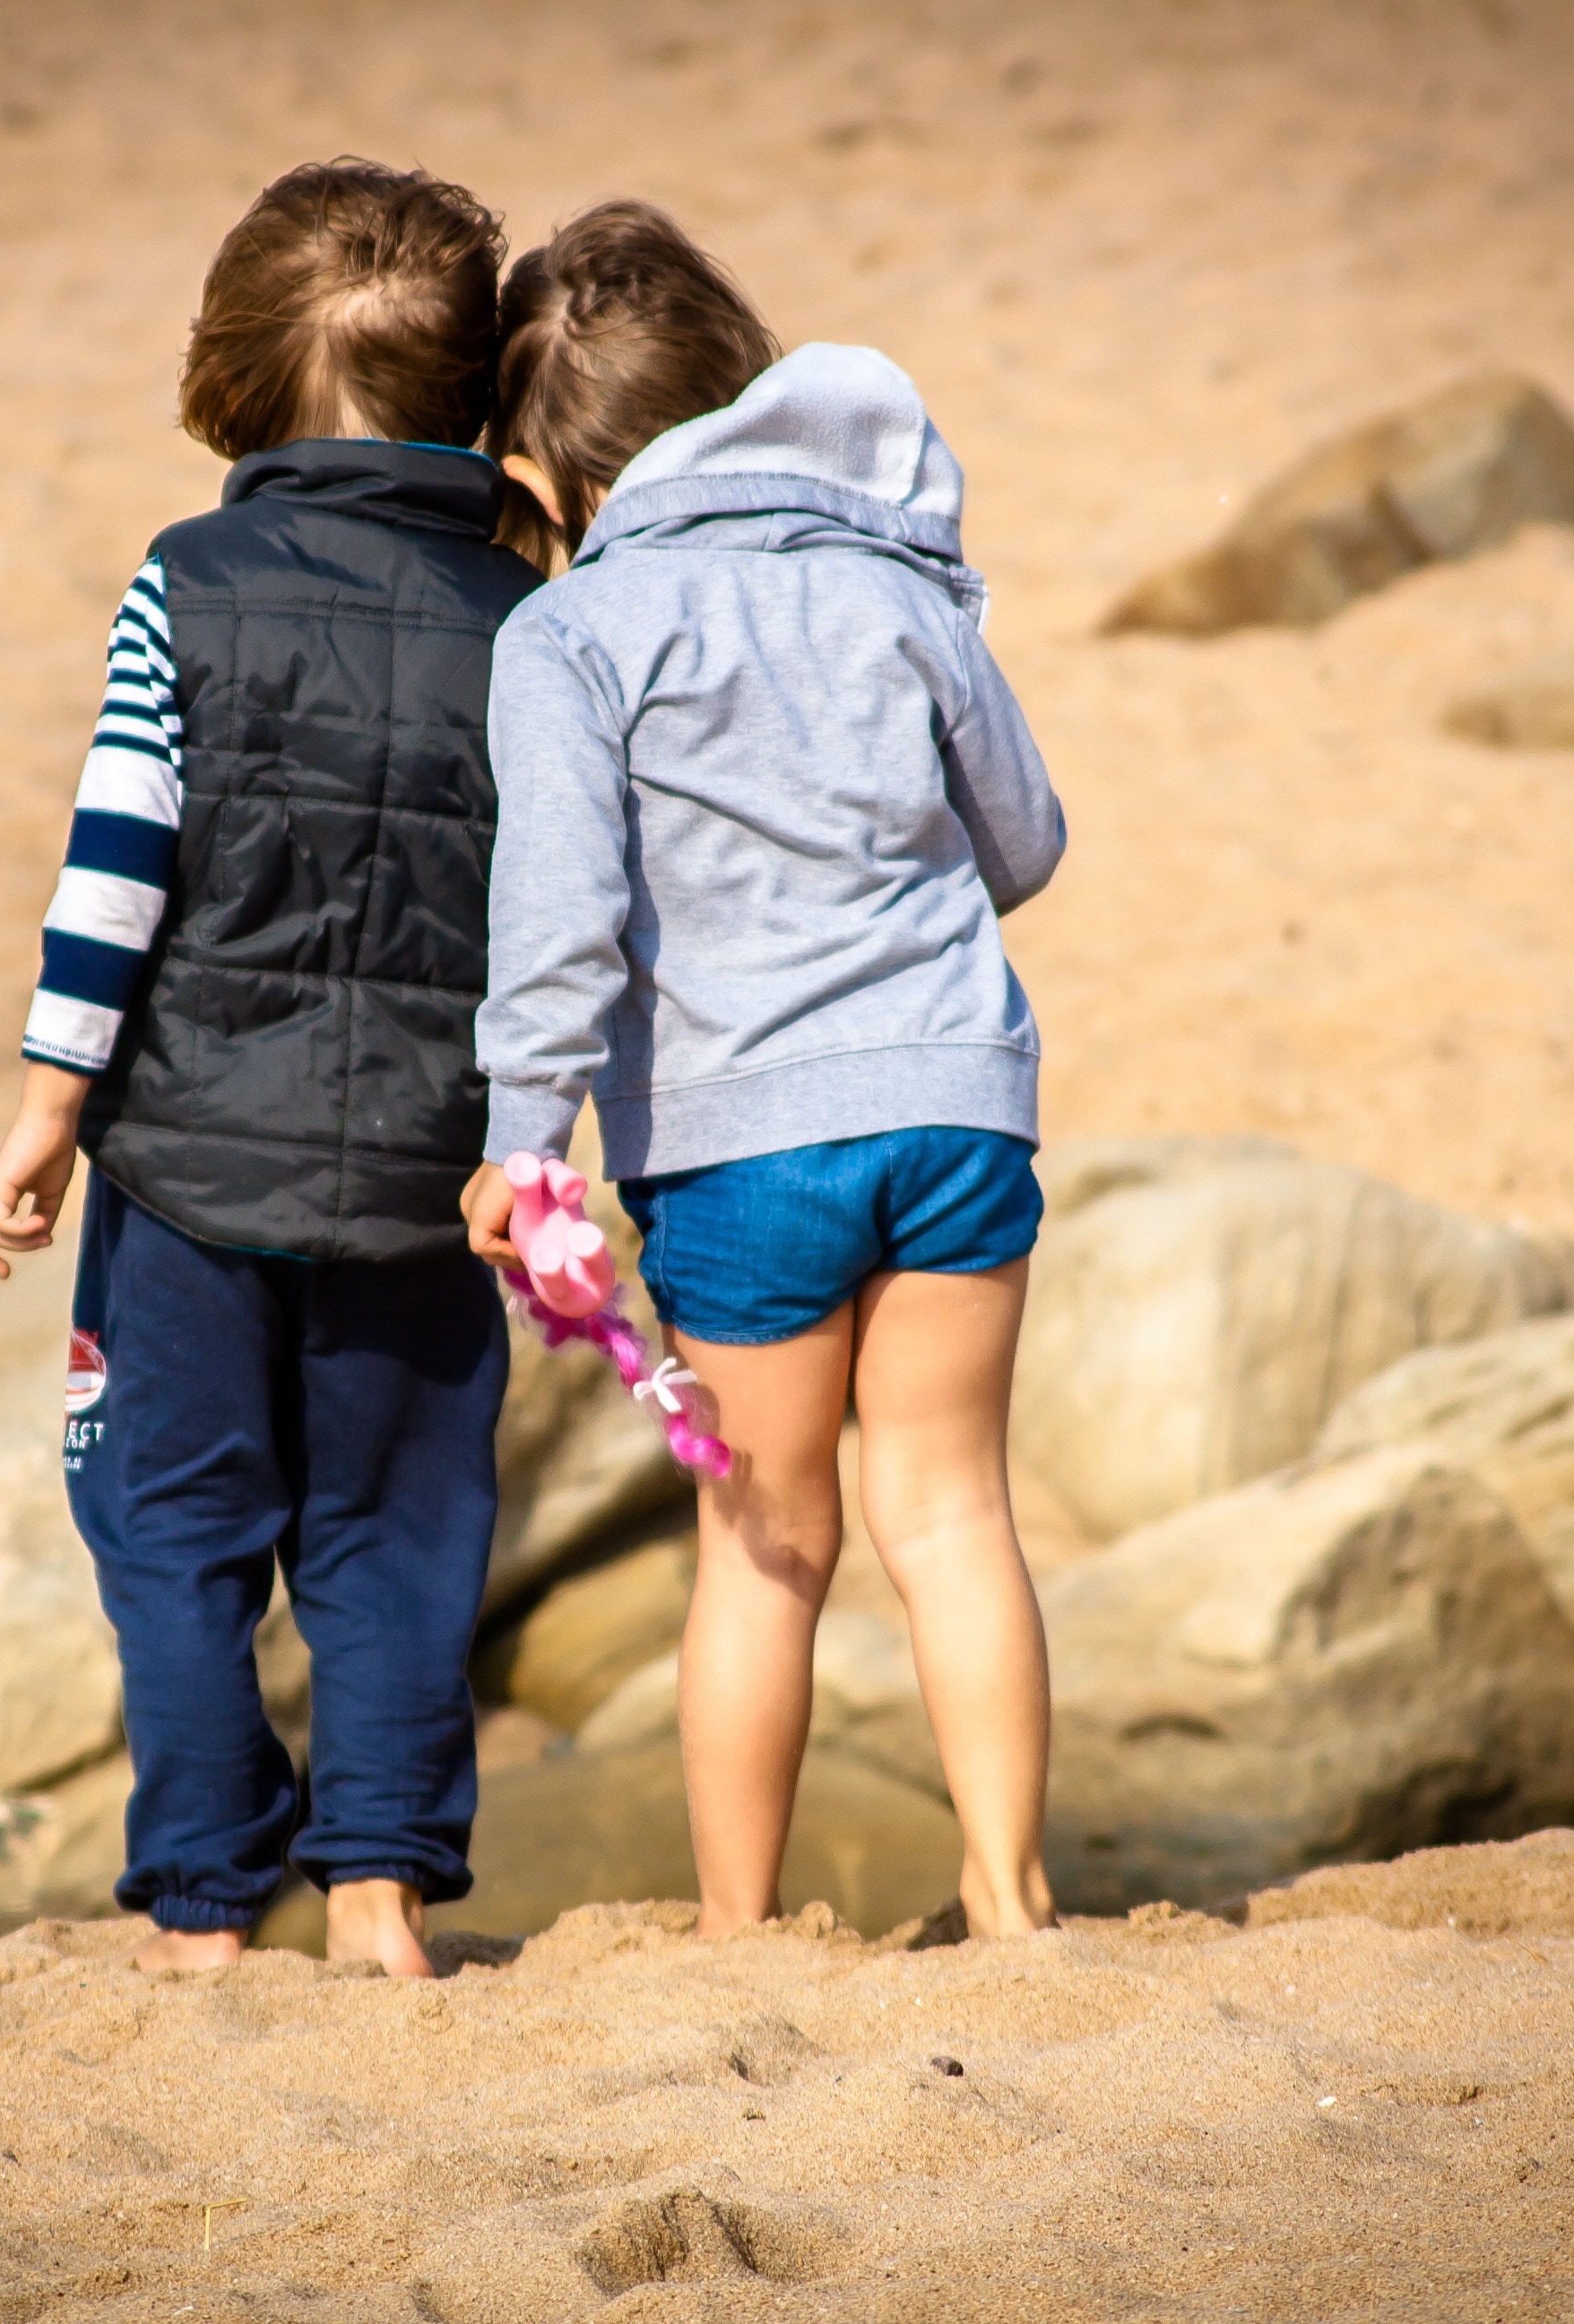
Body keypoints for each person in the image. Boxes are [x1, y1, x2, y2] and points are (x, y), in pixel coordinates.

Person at [0, 160, 541, 1978]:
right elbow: (558, 911)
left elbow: (114, 862)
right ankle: (376, 1899)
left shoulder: (189, 581)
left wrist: (51, 1109)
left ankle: (204, 1908)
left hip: (187, 1170)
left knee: (172, 1518)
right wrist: (538, 1142)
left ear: (230, 372)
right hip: (424, 1184)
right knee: (400, 1532)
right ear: (474, 395)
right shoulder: (533, 629)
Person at [462, 202, 1067, 1943]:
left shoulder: (574, 636)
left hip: (742, 1150)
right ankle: (1013, 1901)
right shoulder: (897, 582)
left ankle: (737, 1933)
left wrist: (528, 1150)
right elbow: (1022, 844)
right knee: (950, 1513)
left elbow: (560, 927)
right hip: (951, 1100)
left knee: (769, 1544)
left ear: (563, 479)